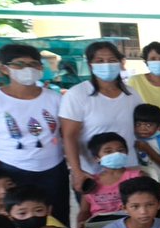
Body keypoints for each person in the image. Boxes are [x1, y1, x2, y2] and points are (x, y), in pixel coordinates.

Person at [0, 43, 70, 227]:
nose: (27, 69)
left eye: (33, 64)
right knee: (18, 220)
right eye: (19, 64)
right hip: (12, 171)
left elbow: (67, 135)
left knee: (57, 217)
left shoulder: (54, 98)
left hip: (54, 170)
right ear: (5, 69)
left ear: (40, 68)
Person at [60, 41, 142, 195]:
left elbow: (142, 127)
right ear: (90, 65)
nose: (107, 65)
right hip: (93, 174)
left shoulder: (131, 94)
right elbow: (69, 136)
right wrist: (77, 172)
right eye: (100, 61)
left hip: (128, 170)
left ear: (120, 63)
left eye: (112, 60)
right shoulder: (77, 94)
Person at [77, 133, 143, 227]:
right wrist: (81, 224)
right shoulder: (90, 182)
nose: (116, 154)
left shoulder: (137, 177)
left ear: (127, 153)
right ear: (97, 158)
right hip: (98, 226)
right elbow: (84, 211)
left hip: (129, 225)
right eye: (108, 151)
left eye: (120, 150)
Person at [133, 103, 160, 178]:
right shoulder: (135, 138)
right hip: (143, 178)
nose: (142, 129)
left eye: (148, 125)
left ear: (159, 126)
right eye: (138, 124)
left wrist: (147, 149)